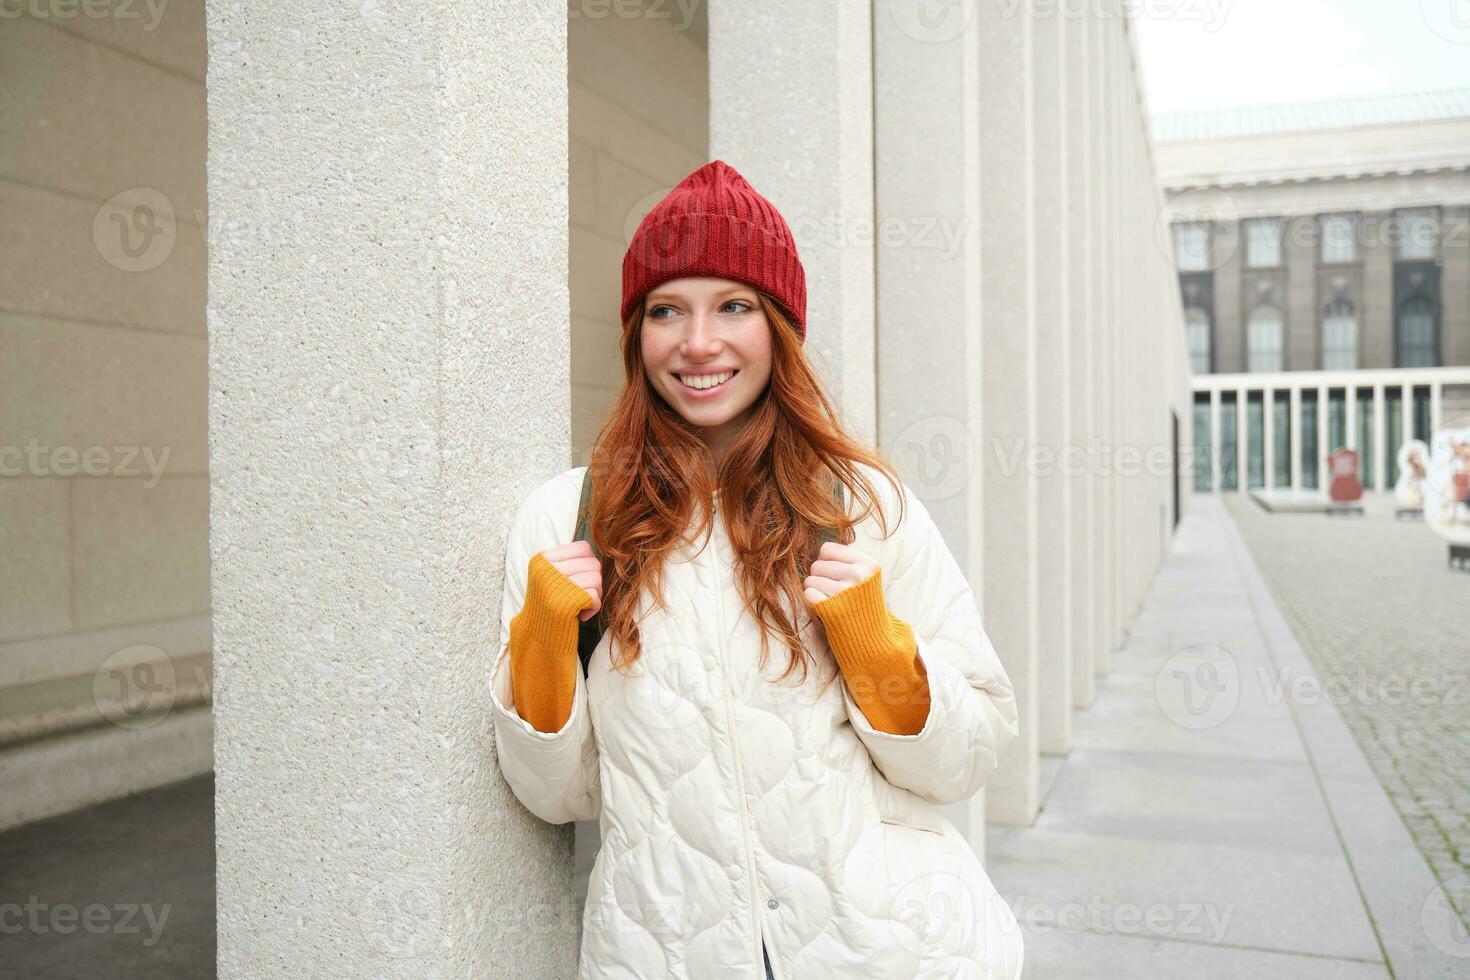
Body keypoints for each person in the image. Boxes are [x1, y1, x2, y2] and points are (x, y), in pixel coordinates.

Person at [488, 160, 1023, 979]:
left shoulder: (865, 504)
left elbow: (969, 759)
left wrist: (884, 657)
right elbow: (560, 797)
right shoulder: (566, 520)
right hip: (663, 953)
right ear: (637, 334)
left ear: (778, 326)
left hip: (887, 950)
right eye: (668, 310)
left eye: (733, 306)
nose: (699, 343)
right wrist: (541, 643)